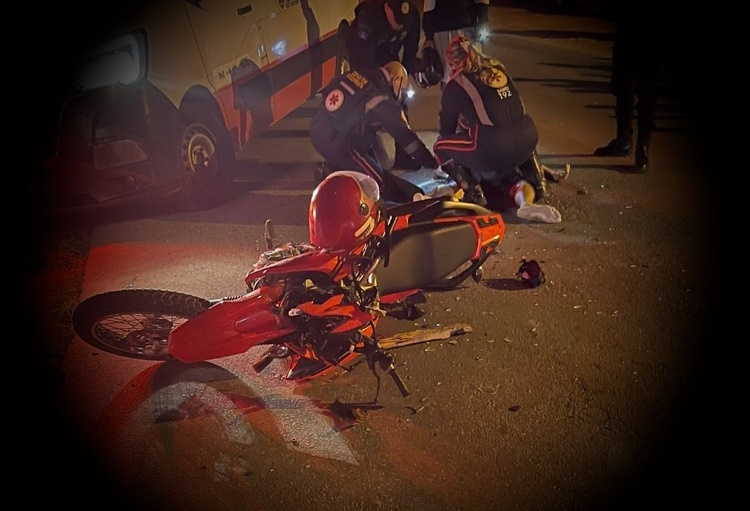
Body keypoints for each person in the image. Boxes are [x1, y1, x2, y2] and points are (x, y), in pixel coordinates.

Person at [431, 35, 566, 223]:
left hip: (493, 145)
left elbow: (446, 128)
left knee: (440, 146)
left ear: (453, 62)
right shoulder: (498, 67)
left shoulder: (457, 83)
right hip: (527, 139)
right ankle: (531, 194)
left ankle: (474, 193)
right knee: (513, 178)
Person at [309, 61, 439, 204]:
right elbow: (406, 138)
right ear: (396, 80)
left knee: (377, 157)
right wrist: (432, 163)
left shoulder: (357, 75)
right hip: (342, 145)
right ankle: (415, 199)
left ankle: (342, 170)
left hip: (318, 130)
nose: (403, 95)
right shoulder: (381, 97)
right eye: (403, 89)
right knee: (378, 182)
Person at [345, 0, 422, 170]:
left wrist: (403, 75)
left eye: (404, 22)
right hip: (367, 62)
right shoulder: (368, 17)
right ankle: (365, 155)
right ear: (387, 8)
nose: (400, 26)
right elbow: (360, 57)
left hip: (390, 57)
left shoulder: (412, 15)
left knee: (400, 104)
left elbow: (411, 48)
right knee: (369, 107)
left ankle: (404, 155)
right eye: (397, 20)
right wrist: (382, 80)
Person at [593, 3, 663, 172]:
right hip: (629, 28)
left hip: (647, 32)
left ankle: (641, 148)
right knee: (623, 85)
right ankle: (625, 140)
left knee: (644, 90)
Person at [419, 0, 490, 88]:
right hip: (444, 29)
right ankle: (449, 96)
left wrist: (483, 19)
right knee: (448, 75)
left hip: (467, 26)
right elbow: (429, 5)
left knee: (472, 71)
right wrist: (429, 36)